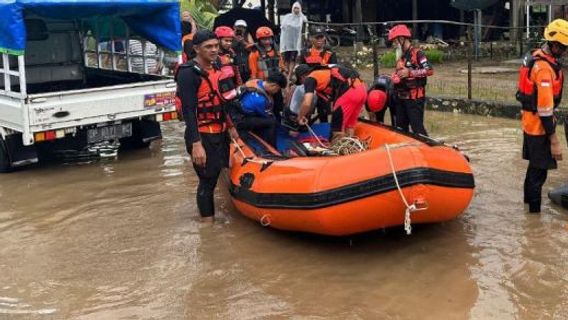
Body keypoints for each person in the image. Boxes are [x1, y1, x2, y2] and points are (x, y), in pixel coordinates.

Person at [175, 30, 239, 222]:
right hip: (202, 135)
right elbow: (188, 111)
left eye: (216, 46)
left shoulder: (216, 67)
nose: (214, 50)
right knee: (207, 181)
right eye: (208, 47)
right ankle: (207, 226)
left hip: (219, 132)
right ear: (196, 49)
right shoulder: (187, 73)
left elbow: (221, 101)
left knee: (219, 171)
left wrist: (230, 126)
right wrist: (196, 144)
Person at [517, 19, 568, 213]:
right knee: (539, 175)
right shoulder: (545, 69)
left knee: (533, 169)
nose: (565, 51)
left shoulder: (535, 58)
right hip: (539, 127)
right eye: (563, 48)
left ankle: (527, 206)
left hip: (529, 123)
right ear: (554, 45)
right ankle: (534, 219)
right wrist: (554, 140)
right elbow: (545, 110)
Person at [295, 63, 367, 141]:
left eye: (301, 81)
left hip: (349, 92)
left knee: (337, 129)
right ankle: (351, 148)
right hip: (362, 89)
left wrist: (300, 116)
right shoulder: (323, 73)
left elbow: (307, 103)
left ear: (302, 77)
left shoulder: (310, 78)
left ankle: (339, 150)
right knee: (349, 125)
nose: (303, 84)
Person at [388, 24, 433, 136]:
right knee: (400, 129)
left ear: (402, 39)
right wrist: (395, 76)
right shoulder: (400, 55)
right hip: (400, 98)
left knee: (417, 129)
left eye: (395, 41)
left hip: (414, 99)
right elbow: (400, 73)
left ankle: (428, 150)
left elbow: (429, 71)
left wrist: (410, 72)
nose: (393, 44)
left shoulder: (418, 54)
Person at [231, 72, 288, 147]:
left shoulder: (256, 81)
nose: (277, 92)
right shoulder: (260, 100)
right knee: (272, 122)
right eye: (277, 89)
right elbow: (268, 116)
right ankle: (272, 148)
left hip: (237, 110)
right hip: (240, 120)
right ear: (274, 85)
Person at [298, 25, 338, 123]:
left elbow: (334, 72)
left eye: (322, 37)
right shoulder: (304, 53)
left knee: (323, 115)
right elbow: (300, 71)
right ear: (311, 38)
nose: (320, 39)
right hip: (308, 88)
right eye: (317, 37)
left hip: (323, 90)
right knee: (307, 113)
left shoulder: (330, 53)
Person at [249, 26, 285, 120]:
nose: (267, 41)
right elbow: (253, 71)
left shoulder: (277, 51)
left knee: (278, 106)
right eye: (264, 39)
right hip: (264, 85)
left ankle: (278, 124)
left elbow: (281, 66)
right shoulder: (254, 53)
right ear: (259, 40)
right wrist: (255, 85)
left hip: (276, 85)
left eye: (268, 38)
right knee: (266, 106)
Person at [279, 1, 307, 81]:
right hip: (287, 43)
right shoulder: (288, 17)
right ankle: (287, 73)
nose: (296, 10)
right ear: (292, 8)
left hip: (295, 44)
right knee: (286, 59)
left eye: (298, 8)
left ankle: (290, 74)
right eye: (295, 8)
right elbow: (283, 27)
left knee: (293, 59)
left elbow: (306, 23)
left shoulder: (302, 17)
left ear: (300, 9)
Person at [215, 26, 241, 101]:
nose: (229, 43)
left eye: (231, 41)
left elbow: (236, 70)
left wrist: (239, 85)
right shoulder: (213, 55)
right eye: (226, 41)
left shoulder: (232, 52)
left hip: (231, 84)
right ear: (218, 40)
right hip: (218, 87)